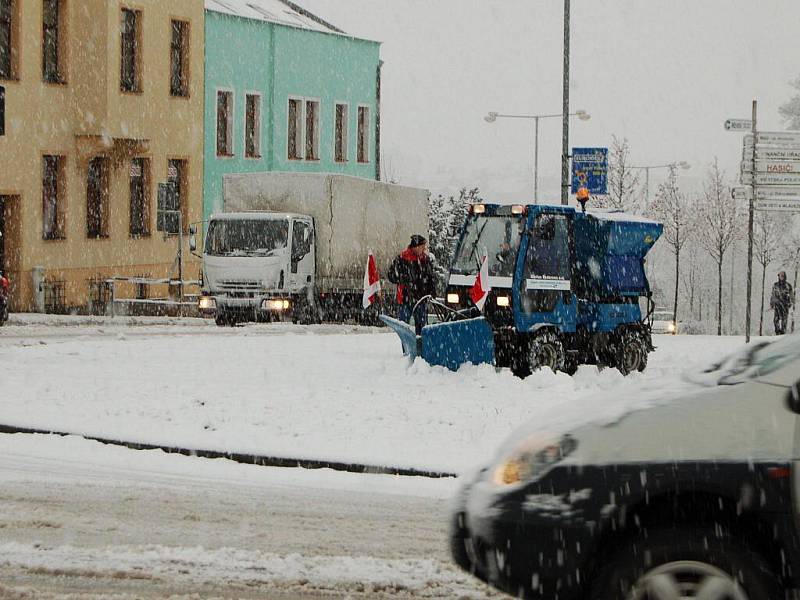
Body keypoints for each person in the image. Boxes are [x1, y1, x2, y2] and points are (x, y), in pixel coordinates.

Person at [388, 234, 436, 335]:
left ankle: (420, 347)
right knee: (404, 327)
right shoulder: (401, 258)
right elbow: (391, 275)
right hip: (405, 299)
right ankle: (407, 349)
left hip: (421, 299)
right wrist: (401, 278)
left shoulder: (425, 260)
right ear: (416, 247)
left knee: (421, 327)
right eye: (423, 246)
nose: (424, 249)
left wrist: (432, 292)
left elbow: (431, 278)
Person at [770, 271, 794, 335]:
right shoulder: (775, 285)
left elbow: (791, 296)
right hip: (777, 305)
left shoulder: (788, 285)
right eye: (780, 275)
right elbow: (773, 295)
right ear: (778, 276)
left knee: (784, 320)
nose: (781, 277)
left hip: (785, 305)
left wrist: (791, 302)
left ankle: (782, 333)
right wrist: (772, 303)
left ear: (785, 276)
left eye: (782, 275)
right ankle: (777, 332)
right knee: (776, 319)